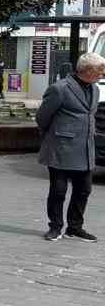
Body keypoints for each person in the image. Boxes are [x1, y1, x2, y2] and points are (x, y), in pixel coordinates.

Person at [37, 52, 103, 242]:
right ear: (88, 70)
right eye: (100, 70)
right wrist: (56, 136)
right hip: (61, 148)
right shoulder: (60, 89)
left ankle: (74, 228)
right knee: (58, 191)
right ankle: (55, 227)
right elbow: (42, 118)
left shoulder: (95, 89)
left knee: (84, 190)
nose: (103, 73)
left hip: (85, 148)